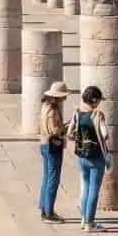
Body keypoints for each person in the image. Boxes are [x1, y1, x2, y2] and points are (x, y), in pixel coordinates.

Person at [68, 86, 110, 232]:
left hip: (82, 156)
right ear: (95, 100)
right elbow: (105, 134)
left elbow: (70, 134)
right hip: (96, 157)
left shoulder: (77, 113)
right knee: (93, 189)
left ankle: (84, 219)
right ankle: (90, 223)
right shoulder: (98, 115)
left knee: (86, 187)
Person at [38, 81, 71, 222]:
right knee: (53, 179)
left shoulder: (45, 107)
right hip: (52, 146)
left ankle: (43, 206)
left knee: (47, 177)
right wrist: (67, 127)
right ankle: (49, 212)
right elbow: (54, 130)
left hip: (44, 144)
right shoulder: (52, 111)